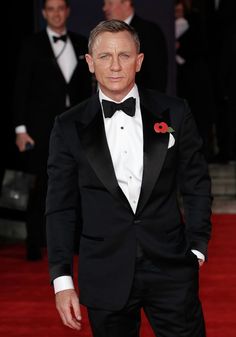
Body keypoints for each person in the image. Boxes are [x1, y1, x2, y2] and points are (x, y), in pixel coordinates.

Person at [46, 20, 212, 337]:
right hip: (104, 270)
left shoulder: (175, 112)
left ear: (139, 61)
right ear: (90, 63)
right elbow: (60, 207)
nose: (116, 65)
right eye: (105, 56)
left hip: (171, 267)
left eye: (124, 55)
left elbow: (196, 181)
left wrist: (198, 245)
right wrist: (62, 279)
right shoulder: (68, 126)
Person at [13, 0, 92, 260]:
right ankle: (34, 242)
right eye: (51, 9)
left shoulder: (82, 44)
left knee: (79, 184)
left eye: (61, 8)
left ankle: (78, 242)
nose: (57, 14)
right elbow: (21, 89)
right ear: (44, 13)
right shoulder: (31, 45)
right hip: (40, 129)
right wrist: (21, 129)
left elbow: (86, 91)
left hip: (76, 128)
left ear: (67, 12)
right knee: (40, 187)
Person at [103, 0, 168, 92]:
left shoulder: (149, 31)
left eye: (110, 3)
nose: (104, 8)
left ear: (126, 3)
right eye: (104, 4)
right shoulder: (103, 34)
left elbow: (157, 75)